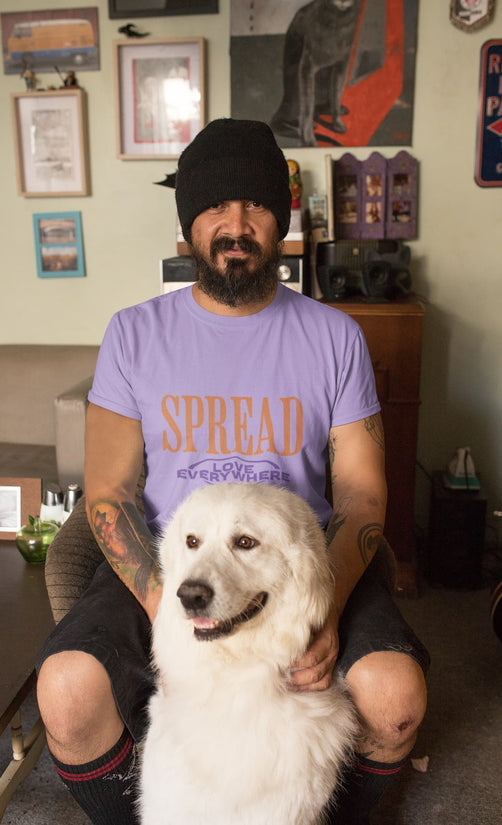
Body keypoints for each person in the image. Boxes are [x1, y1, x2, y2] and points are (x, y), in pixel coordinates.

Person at [36, 118, 429, 825]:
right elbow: (107, 493)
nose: (236, 223)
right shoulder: (133, 334)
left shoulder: (336, 336)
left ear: (281, 218)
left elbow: (364, 496)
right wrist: (167, 611)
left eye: (254, 204)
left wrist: (325, 605)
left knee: (395, 697)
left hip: (297, 562)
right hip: (170, 562)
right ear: (189, 225)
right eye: (215, 206)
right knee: (66, 691)